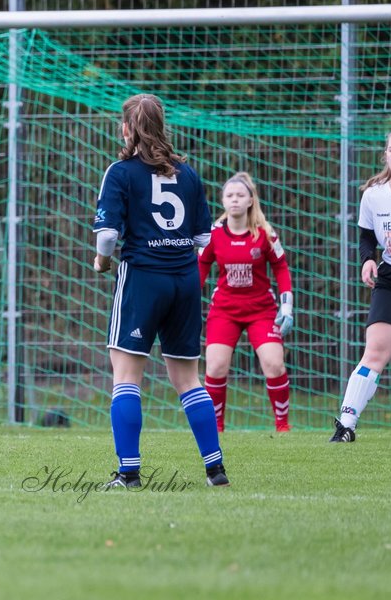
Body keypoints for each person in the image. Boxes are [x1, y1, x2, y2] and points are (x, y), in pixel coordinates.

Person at [92, 93, 228, 487]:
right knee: (189, 379)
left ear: (129, 128)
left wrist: (103, 262)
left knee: (127, 378)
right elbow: (205, 238)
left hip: (143, 279)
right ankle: (215, 469)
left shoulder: (120, 172)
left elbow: (106, 237)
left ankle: (129, 473)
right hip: (184, 281)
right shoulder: (188, 173)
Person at [330, 127, 391, 443]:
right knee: (374, 352)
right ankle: (346, 425)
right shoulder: (373, 195)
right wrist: (368, 259)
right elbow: (367, 237)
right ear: (385, 155)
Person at [198, 172, 295, 433]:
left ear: (251, 200)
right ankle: (217, 429)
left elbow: (281, 269)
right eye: (229, 195)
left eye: (240, 195)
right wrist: (188, 298)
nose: (235, 200)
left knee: (274, 364)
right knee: (216, 365)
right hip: (225, 311)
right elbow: (201, 267)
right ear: (223, 201)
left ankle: (283, 426)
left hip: (261, 310)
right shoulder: (214, 235)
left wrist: (287, 306)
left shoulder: (264, 233)